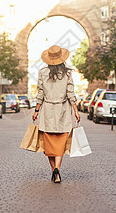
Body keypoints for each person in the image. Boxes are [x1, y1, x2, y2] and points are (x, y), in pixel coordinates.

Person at [32, 45, 80, 183]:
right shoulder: (68, 74)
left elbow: (40, 93)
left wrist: (36, 110)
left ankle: (54, 170)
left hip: (47, 110)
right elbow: (71, 93)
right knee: (60, 141)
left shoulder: (42, 72)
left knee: (49, 142)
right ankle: (57, 169)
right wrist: (76, 110)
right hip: (63, 110)